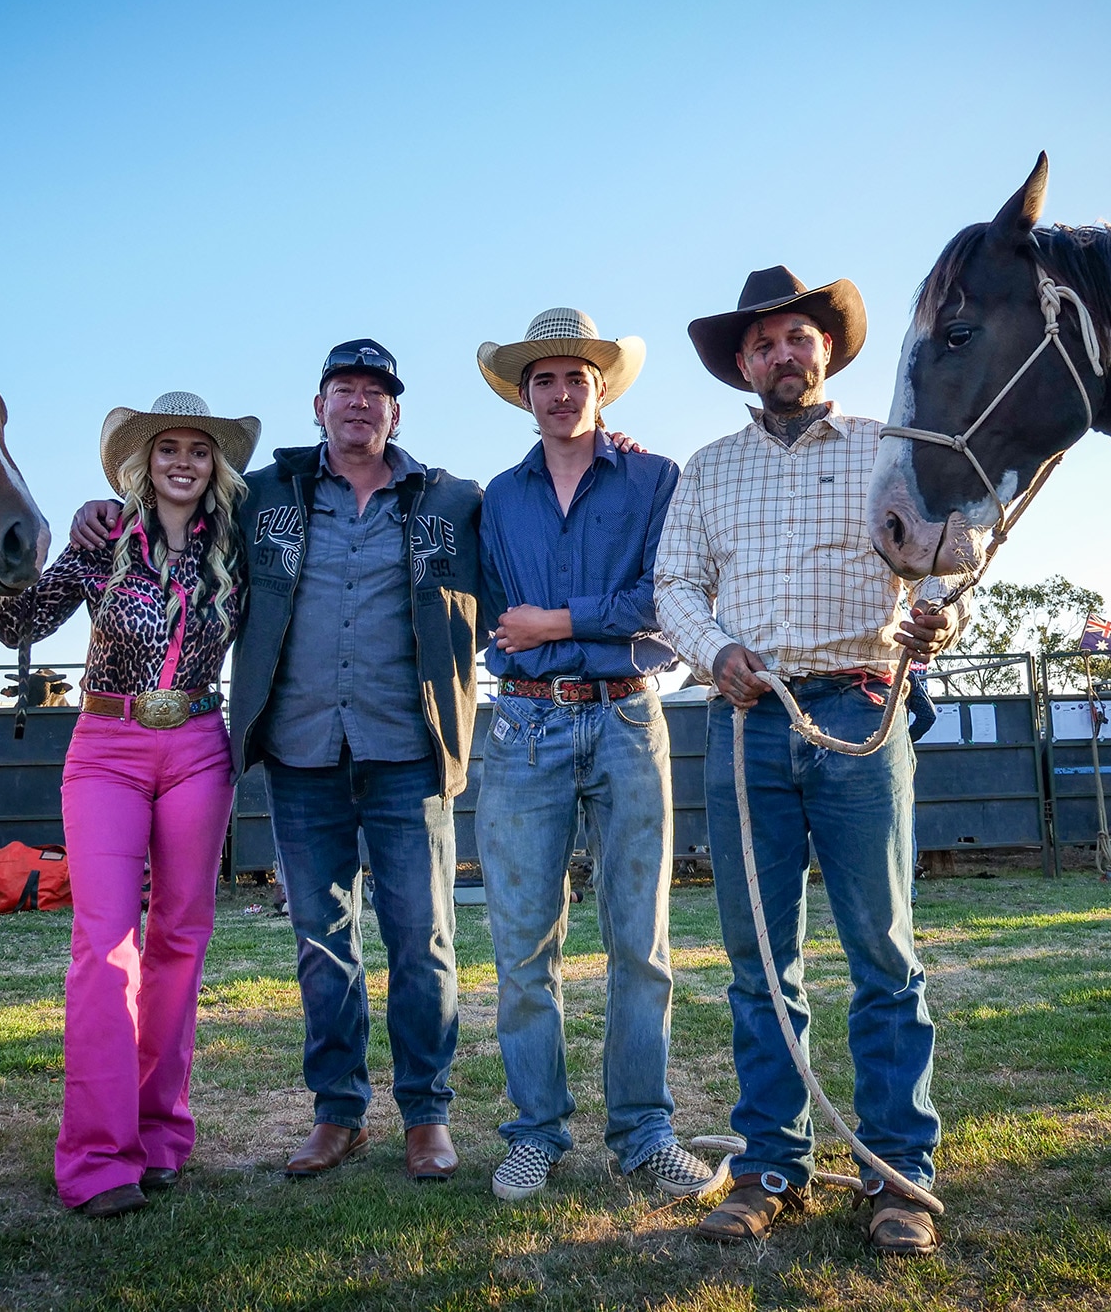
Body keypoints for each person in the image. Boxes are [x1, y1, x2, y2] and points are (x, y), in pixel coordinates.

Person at [69, 340, 483, 1184]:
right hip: (301, 754)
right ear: (318, 407)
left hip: (409, 752)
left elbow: (517, 536)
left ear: (395, 412)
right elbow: (174, 515)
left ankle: (426, 1117)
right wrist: (104, 510)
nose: (359, 403)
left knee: (422, 940)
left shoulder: (452, 500)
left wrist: (606, 440)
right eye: (343, 390)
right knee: (322, 944)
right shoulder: (265, 499)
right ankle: (338, 1115)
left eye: (376, 392)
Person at [654, 267, 962, 1253]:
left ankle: (897, 1177)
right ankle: (770, 1168)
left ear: (823, 348)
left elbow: (945, 563)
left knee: (882, 953)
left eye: (796, 338)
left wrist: (940, 617)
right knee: (757, 964)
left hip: (859, 714)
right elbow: (671, 585)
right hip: (745, 723)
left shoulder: (888, 449)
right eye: (763, 344)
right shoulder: (706, 469)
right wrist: (715, 652)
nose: (781, 355)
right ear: (742, 364)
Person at [0, 391, 257, 1218]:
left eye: (197, 450)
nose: (182, 461)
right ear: (142, 462)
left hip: (201, 747)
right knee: (105, 944)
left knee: (181, 941)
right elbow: (21, 618)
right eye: (166, 448)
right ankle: (97, 1157)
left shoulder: (237, 547)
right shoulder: (103, 543)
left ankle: (161, 1136)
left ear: (215, 467)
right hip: (108, 749)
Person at [471, 308, 725, 1203]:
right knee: (521, 948)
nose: (561, 390)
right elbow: (493, 615)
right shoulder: (497, 498)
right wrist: (533, 634)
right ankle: (536, 1132)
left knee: (641, 943)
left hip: (625, 716)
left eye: (577, 374)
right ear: (524, 394)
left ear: (601, 385)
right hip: (525, 724)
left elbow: (668, 598)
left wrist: (562, 621)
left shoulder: (658, 478)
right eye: (544, 378)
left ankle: (644, 1134)